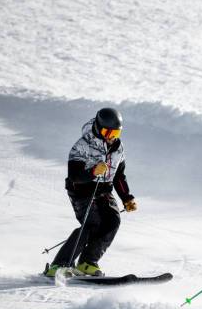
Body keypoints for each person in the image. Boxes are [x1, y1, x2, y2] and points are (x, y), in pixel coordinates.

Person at [44, 108, 137, 277]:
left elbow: (119, 176)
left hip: (104, 191)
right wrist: (93, 171)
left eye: (115, 132)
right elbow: (74, 176)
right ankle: (59, 265)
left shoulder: (118, 148)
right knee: (92, 224)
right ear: (97, 127)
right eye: (106, 131)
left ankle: (87, 262)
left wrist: (126, 198)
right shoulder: (82, 146)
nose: (111, 136)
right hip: (82, 191)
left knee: (112, 221)